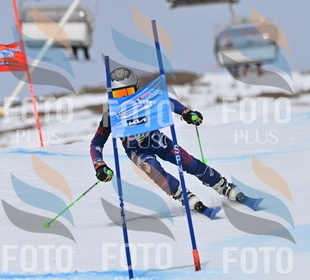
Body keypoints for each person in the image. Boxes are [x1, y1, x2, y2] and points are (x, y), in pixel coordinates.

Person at [90, 67, 251, 214]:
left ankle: (224, 187)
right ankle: (185, 197)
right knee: (155, 171)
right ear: (111, 94)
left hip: (157, 140)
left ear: (136, 88)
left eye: (128, 92)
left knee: (189, 163)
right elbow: (96, 143)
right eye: (119, 94)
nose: (125, 97)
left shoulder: (145, 100)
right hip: (137, 151)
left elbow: (166, 101)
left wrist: (187, 113)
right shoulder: (111, 115)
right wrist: (99, 165)